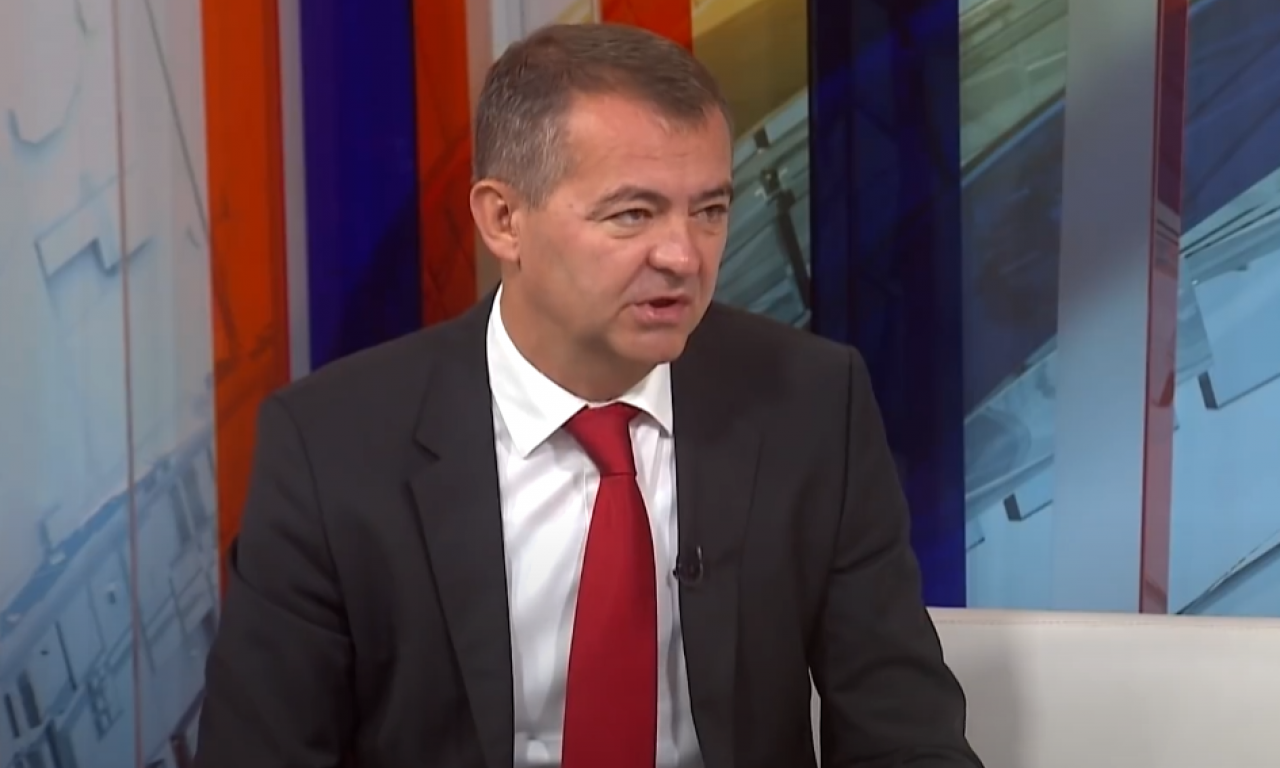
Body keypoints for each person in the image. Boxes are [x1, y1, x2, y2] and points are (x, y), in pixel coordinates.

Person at [194, 21, 984, 768]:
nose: (684, 256)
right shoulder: (332, 447)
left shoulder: (810, 403)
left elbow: (902, 732)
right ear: (503, 219)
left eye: (709, 210)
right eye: (633, 214)